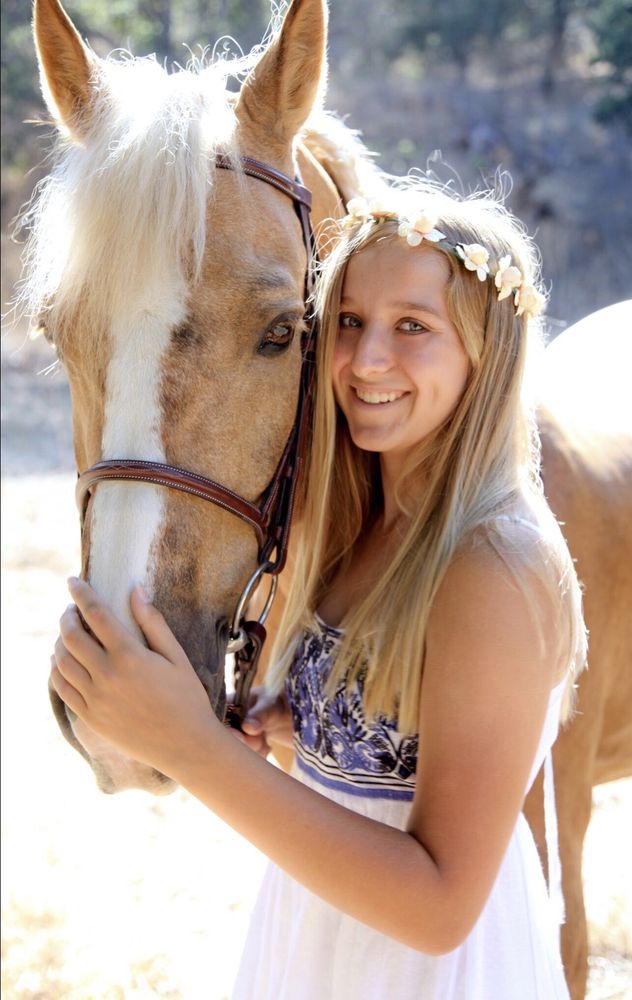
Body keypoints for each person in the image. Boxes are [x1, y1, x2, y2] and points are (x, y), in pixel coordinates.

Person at [51, 183, 587, 999]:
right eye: (347, 321)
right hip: (319, 933)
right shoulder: (368, 522)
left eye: (413, 327)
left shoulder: (492, 569)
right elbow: (393, 766)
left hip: (426, 971)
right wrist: (305, 735)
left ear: (488, 349)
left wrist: (190, 747)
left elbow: (441, 904)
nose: (366, 359)